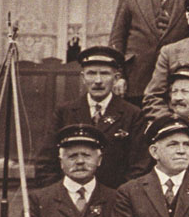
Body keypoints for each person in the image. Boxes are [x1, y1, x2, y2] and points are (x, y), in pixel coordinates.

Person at [35, 46, 144, 190]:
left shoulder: (133, 114)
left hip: (115, 202)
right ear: (83, 77)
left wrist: (120, 200)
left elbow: (139, 167)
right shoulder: (64, 113)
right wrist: (62, 198)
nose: (98, 80)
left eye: (104, 74)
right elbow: (46, 163)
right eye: (91, 73)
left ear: (116, 78)